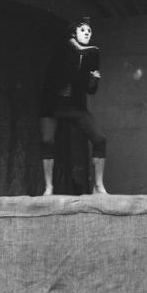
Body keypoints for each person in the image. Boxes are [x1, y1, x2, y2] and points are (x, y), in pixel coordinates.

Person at [39, 16, 108, 196]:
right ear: (73, 34)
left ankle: (98, 186)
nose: (87, 33)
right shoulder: (64, 48)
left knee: (100, 139)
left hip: (74, 106)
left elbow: (90, 90)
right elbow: (61, 73)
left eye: (89, 31)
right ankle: (49, 187)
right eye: (82, 30)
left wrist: (93, 81)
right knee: (47, 140)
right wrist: (78, 49)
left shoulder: (91, 55)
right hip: (53, 104)